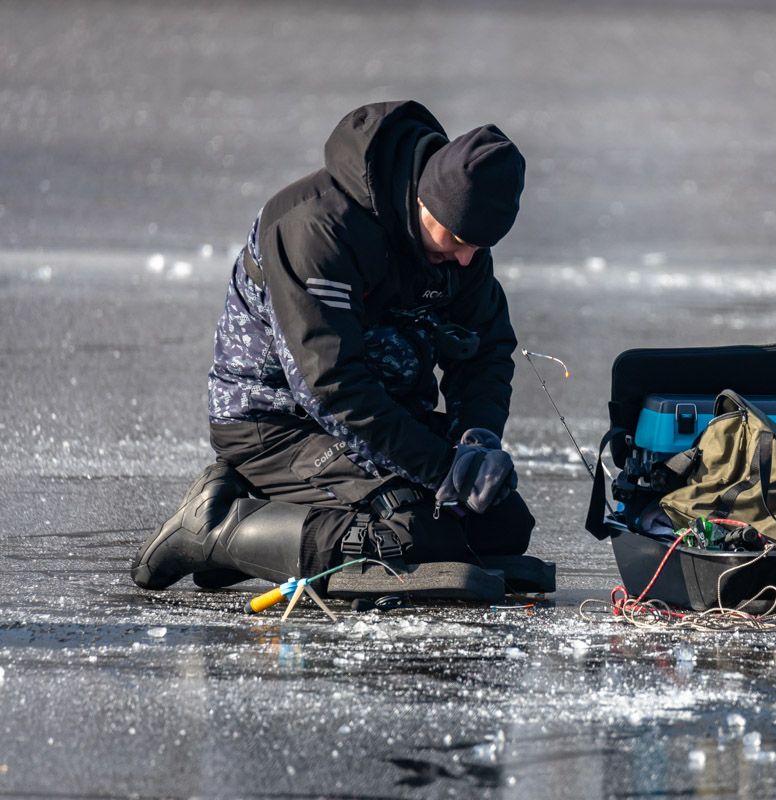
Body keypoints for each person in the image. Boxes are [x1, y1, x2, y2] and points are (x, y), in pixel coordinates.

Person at [131, 100, 535, 592]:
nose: (467, 257)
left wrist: (477, 440)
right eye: (456, 238)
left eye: (480, 246)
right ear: (425, 201)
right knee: (411, 532)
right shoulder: (317, 228)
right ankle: (216, 529)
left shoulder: (462, 249)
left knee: (503, 525)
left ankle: (269, 524)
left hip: (381, 419)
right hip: (278, 425)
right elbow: (331, 387)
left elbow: (485, 349)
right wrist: (440, 466)